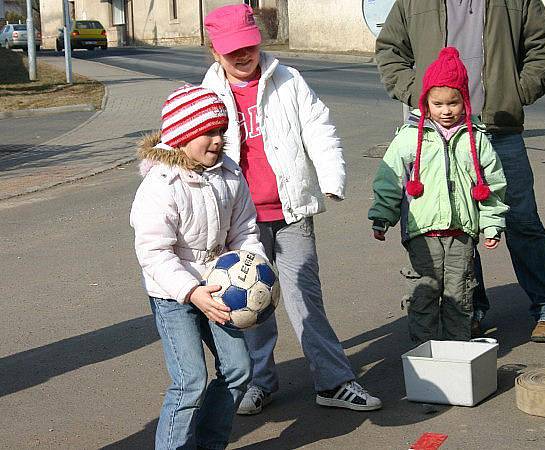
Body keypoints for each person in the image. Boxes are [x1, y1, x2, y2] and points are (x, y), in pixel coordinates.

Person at [201, 4, 382, 415]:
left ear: (258, 41)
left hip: (291, 210)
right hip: (239, 221)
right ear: (215, 51)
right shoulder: (206, 92)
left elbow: (319, 128)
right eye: (232, 51)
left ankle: (333, 382)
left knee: (305, 298)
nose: (243, 56)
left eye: (248, 46)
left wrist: (331, 179)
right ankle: (257, 383)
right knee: (249, 303)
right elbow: (189, 147)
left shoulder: (289, 80)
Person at [375, 0, 545, 342]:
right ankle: (470, 308)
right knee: (457, 226)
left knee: (522, 221)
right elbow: (390, 49)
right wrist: (416, 92)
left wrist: (514, 93)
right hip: (439, 133)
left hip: (499, 128)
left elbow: (543, 46)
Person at [130, 85, 266, 449]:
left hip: (221, 288)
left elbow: (245, 230)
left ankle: (209, 444)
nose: (218, 141)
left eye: (222, 131)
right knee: (190, 380)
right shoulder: (161, 185)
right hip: (173, 295)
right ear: (182, 136)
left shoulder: (229, 174)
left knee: (238, 371)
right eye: (208, 133)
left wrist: (252, 268)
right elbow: (153, 251)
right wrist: (191, 292)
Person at [369, 47, 508, 345]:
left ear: (464, 101)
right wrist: (382, 216)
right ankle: (425, 353)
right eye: (438, 103)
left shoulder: (476, 138)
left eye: (453, 103)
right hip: (422, 232)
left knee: (460, 294)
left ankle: (456, 353)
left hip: (461, 233)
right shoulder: (409, 137)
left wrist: (492, 223)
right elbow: (389, 178)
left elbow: (493, 183)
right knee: (425, 290)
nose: (446, 110)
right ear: (426, 103)